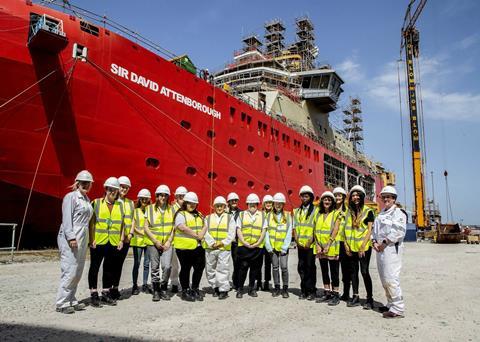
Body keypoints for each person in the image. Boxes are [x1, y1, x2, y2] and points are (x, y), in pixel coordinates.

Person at [55, 170, 94, 314]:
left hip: (83, 237)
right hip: (71, 236)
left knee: (78, 269)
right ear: (77, 183)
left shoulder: (87, 199)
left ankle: (71, 298)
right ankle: (62, 302)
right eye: (83, 182)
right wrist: (71, 237)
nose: (85, 185)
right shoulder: (70, 197)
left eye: (88, 183)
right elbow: (66, 219)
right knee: (69, 268)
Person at [88, 177, 125, 307]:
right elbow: (91, 223)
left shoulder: (120, 206)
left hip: (113, 242)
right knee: (95, 267)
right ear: (106, 189)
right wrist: (91, 239)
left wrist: (121, 239)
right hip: (98, 242)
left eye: (115, 190)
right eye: (110, 189)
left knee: (109, 268)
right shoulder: (96, 203)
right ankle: (93, 294)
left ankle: (105, 292)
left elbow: (122, 225)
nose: (113, 192)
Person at [372, 186, 406, 318]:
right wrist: (374, 242)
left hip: (391, 250)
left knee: (391, 278)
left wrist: (384, 243)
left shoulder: (398, 213)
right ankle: (390, 304)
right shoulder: (381, 214)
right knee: (384, 279)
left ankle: (398, 309)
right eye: (384, 196)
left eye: (389, 197)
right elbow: (374, 231)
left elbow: (398, 231)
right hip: (380, 250)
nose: (386, 199)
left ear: (394, 199)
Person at [343, 185, 375, 309]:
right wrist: (346, 245)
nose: (355, 197)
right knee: (353, 272)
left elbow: (369, 230)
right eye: (353, 195)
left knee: (364, 271)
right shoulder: (348, 212)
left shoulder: (368, 211)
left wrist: (362, 246)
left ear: (362, 196)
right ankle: (355, 296)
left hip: (364, 248)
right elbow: (345, 229)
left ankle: (369, 299)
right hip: (351, 247)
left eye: (357, 195)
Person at [144, 185, 175, 301]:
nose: (163, 197)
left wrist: (169, 241)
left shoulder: (172, 209)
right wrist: (155, 241)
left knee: (167, 266)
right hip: (153, 243)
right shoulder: (150, 209)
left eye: (165, 195)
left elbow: (174, 228)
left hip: (167, 243)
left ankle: (163, 287)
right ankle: (156, 290)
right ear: (156, 196)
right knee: (155, 267)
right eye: (161, 195)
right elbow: (146, 228)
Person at [173, 191, 207, 302]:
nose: (192, 205)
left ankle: (195, 288)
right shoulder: (181, 214)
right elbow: (181, 227)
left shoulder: (199, 215)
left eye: (194, 203)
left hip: (198, 246)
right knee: (186, 268)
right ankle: (185, 290)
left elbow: (205, 224)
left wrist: (202, 232)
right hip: (184, 248)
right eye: (189, 203)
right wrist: (197, 236)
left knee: (200, 267)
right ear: (185, 203)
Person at [202, 196, 236, 300]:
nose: (219, 208)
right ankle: (215, 286)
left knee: (223, 269)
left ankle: (223, 290)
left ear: (225, 206)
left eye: (221, 206)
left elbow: (231, 233)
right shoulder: (207, 218)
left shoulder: (230, 218)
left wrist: (222, 243)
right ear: (214, 206)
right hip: (210, 248)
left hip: (223, 248)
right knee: (210, 269)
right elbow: (205, 232)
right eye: (217, 206)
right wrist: (212, 243)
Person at [235, 193, 266, 298]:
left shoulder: (262, 215)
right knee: (242, 268)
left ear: (257, 204)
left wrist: (257, 243)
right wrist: (244, 242)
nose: (252, 205)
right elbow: (238, 229)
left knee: (255, 269)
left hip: (257, 247)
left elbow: (263, 231)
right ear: (247, 204)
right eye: (250, 203)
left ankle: (252, 288)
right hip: (244, 247)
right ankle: (240, 289)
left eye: (254, 204)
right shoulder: (241, 214)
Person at [314, 191, 342, 306]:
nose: (327, 201)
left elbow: (335, 230)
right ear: (322, 201)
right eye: (325, 199)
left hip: (331, 247)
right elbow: (315, 230)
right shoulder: (318, 214)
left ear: (332, 202)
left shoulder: (336, 213)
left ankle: (335, 294)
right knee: (324, 271)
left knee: (334, 271)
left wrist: (328, 245)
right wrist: (317, 244)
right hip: (320, 247)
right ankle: (327, 292)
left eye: (329, 200)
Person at [264, 193, 292, 298]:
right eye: (277, 203)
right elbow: (266, 231)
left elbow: (289, 232)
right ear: (274, 203)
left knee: (284, 267)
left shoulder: (288, 215)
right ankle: (276, 287)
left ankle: (285, 288)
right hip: (272, 247)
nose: (278, 205)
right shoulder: (268, 216)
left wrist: (285, 247)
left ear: (283, 204)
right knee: (275, 267)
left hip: (283, 247)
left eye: (280, 203)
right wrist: (268, 246)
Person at [110, 176, 134, 300]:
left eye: (126, 187)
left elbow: (133, 219)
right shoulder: (112, 201)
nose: (124, 189)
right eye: (122, 187)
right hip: (114, 238)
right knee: (111, 264)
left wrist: (130, 234)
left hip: (126, 239)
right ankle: (108, 288)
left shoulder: (130, 203)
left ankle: (115, 287)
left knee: (119, 264)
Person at [293, 185, 318, 300]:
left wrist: (311, 240)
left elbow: (316, 227)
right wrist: (297, 239)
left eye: (306, 196)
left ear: (311, 197)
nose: (304, 198)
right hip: (300, 244)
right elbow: (295, 226)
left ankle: (312, 290)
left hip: (310, 244)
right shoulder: (297, 211)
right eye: (302, 196)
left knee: (310, 267)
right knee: (301, 267)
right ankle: (304, 290)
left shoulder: (316, 211)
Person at [129, 189, 151, 296]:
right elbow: (133, 225)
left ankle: (145, 284)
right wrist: (143, 233)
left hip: (147, 241)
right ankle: (134, 285)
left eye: (146, 198)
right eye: (142, 198)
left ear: (149, 199)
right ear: (139, 199)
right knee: (136, 264)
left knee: (147, 264)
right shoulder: (135, 211)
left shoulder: (150, 211)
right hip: (137, 240)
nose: (144, 200)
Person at [333, 186, 349, 301]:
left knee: (345, 269)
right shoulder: (331, 210)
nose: (337, 197)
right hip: (333, 243)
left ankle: (346, 293)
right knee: (334, 269)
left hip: (343, 243)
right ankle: (335, 292)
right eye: (336, 195)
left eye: (339, 195)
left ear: (343, 197)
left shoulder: (347, 211)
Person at [170, 186, 187, 293]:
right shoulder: (171, 209)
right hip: (174, 241)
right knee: (174, 265)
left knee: (185, 265)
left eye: (183, 196)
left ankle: (185, 284)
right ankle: (174, 283)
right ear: (176, 197)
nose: (182, 199)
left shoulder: (188, 208)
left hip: (185, 241)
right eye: (180, 197)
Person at [257, 194, 273, 291]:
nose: (268, 204)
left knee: (268, 263)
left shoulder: (274, 214)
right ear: (264, 204)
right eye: (267, 202)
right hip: (260, 242)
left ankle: (266, 282)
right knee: (258, 263)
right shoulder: (260, 214)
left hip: (270, 243)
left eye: (270, 202)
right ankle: (258, 282)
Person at [226, 192, 241, 290]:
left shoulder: (242, 213)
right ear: (229, 202)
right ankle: (223, 284)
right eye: (232, 200)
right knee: (224, 264)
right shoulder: (223, 212)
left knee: (237, 263)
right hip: (225, 241)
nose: (234, 201)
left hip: (236, 242)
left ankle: (236, 282)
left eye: (235, 200)